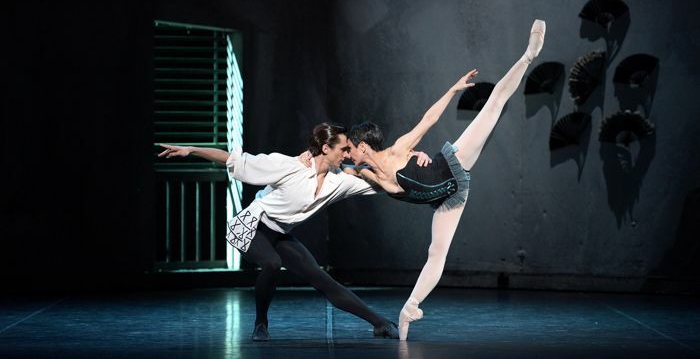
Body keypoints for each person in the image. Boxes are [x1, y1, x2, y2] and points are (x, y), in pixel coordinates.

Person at [344, 20, 546, 340]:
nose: (348, 154)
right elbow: (343, 171)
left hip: (452, 165)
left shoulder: (398, 151)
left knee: (492, 106)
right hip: (450, 198)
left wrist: (452, 90)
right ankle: (410, 307)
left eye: (350, 149)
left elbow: (428, 119)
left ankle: (528, 56)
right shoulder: (368, 173)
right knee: (436, 253)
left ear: (364, 145)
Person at [158, 123, 431, 341]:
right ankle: (261, 323)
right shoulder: (289, 166)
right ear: (326, 148)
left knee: (321, 278)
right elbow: (235, 160)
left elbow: (387, 182)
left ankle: (380, 323)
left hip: (279, 233)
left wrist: (411, 159)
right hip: (252, 225)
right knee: (272, 263)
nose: (349, 155)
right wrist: (192, 149)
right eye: (344, 150)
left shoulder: (340, 181)